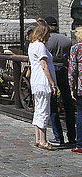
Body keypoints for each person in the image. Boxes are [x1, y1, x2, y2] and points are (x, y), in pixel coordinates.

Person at [44, 16, 76, 148]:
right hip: (64, 70)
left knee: (53, 105)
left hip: (52, 71)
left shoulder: (46, 41)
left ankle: (58, 137)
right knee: (68, 103)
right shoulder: (66, 40)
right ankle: (72, 136)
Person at [28, 23, 57, 150]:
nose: (50, 36)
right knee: (44, 111)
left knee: (38, 110)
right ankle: (43, 140)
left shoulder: (32, 45)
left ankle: (38, 138)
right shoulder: (40, 46)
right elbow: (44, 65)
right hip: (42, 81)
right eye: (48, 33)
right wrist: (52, 83)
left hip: (36, 81)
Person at [68, 26, 82, 154]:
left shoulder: (76, 48)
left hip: (81, 87)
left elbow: (72, 70)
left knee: (81, 113)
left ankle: (80, 144)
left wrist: (71, 88)